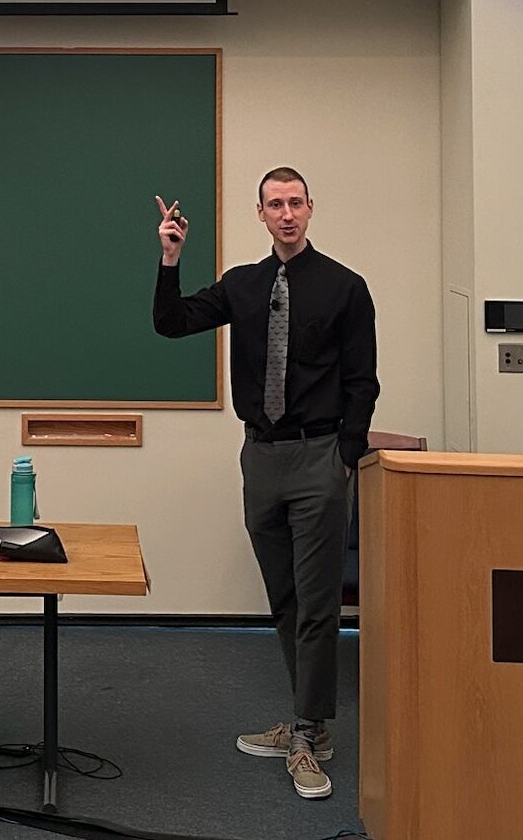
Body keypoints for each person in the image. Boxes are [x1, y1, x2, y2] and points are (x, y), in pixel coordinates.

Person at [152, 166, 379, 801]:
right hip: (261, 457)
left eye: (295, 203)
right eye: (275, 204)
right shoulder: (243, 285)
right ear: (260, 214)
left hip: (319, 457)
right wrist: (170, 260)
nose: (286, 214)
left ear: (310, 208)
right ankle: (310, 722)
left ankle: (307, 733)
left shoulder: (345, 287)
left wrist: (346, 456)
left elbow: (363, 379)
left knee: (318, 602)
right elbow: (171, 323)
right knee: (284, 599)